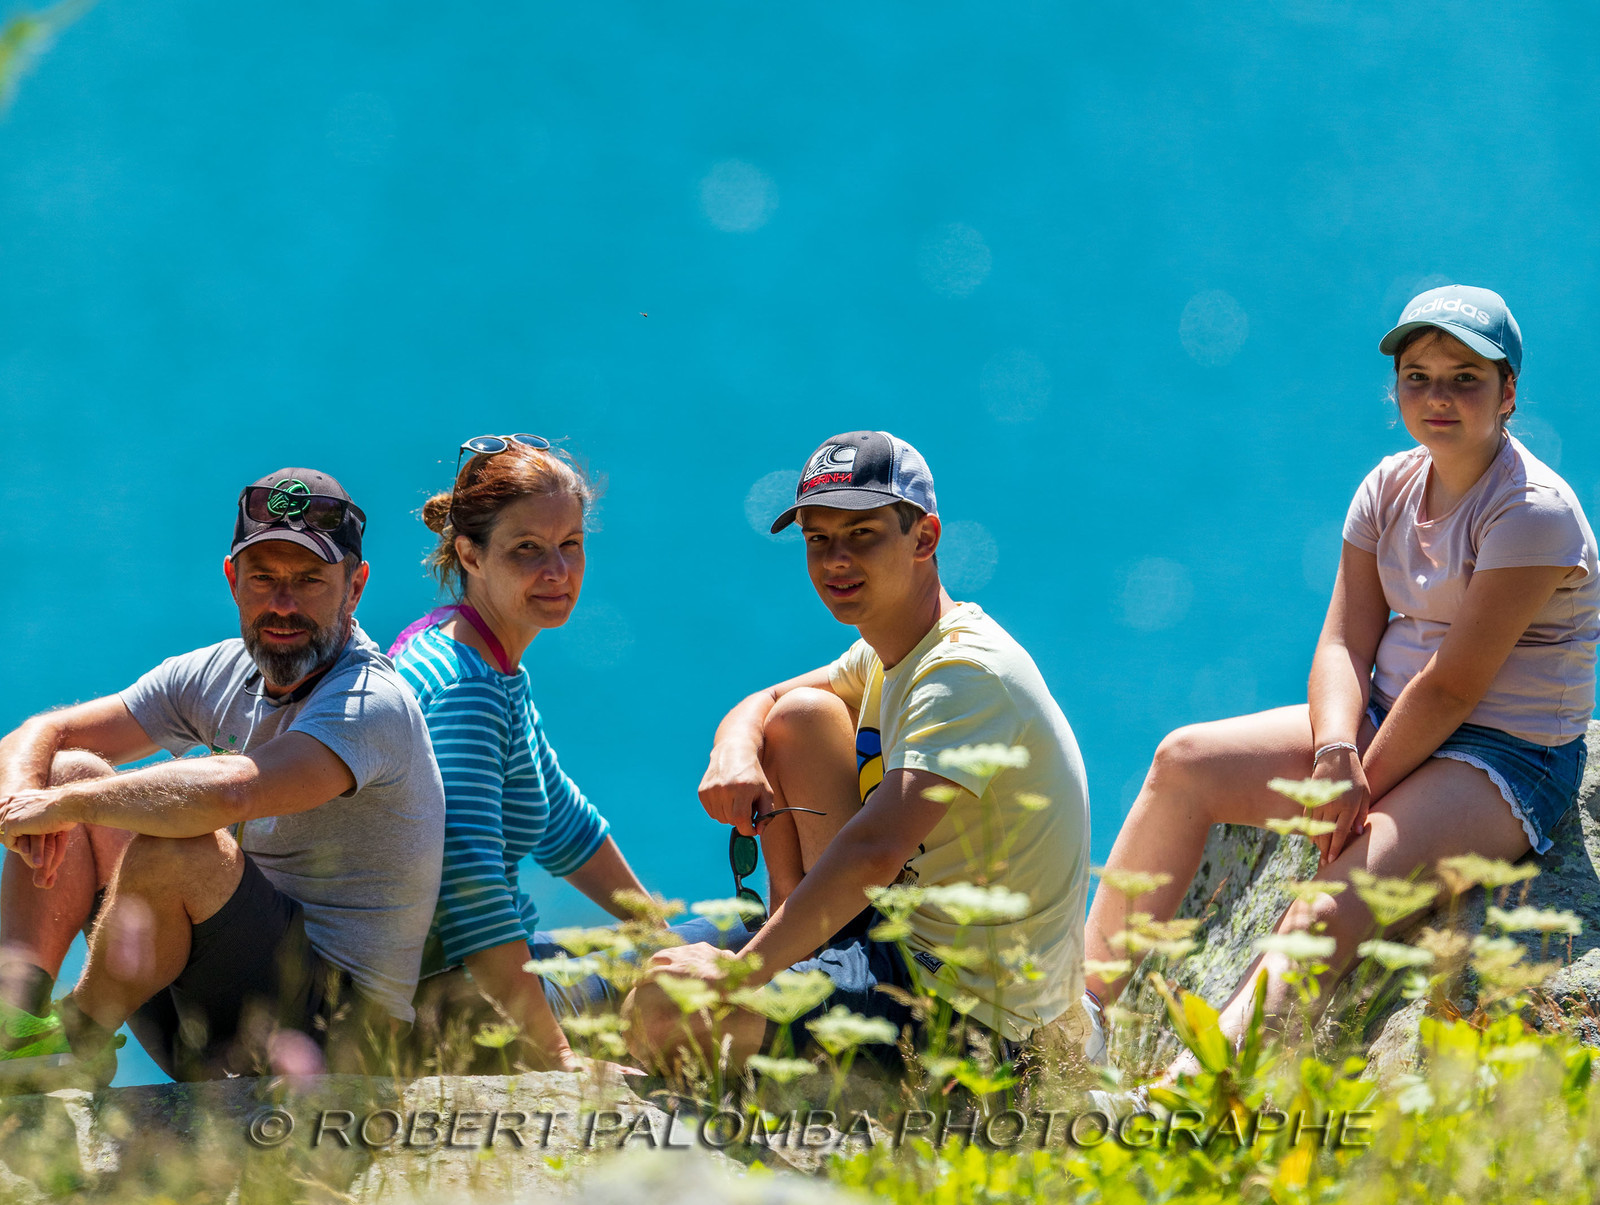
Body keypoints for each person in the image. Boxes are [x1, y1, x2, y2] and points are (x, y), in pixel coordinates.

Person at [1085, 285, 1597, 1047]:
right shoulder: (1387, 486)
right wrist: (1334, 752)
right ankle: (1079, 1017)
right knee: (1183, 760)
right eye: (1418, 376)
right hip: (1387, 716)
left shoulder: (1532, 510)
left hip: (1502, 752)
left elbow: (1455, 686)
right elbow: (1341, 644)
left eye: (1466, 377)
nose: (1438, 396)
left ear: (1509, 393)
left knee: (1328, 903)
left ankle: (1193, 1097)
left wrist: (1360, 790)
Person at [625, 430, 1093, 1073]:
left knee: (663, 1011)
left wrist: (742, 976)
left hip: (979, 1021)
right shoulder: (887, 650)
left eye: (863, 534)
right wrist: (733, 750)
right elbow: (767, 699)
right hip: (891, 946)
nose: (836, 560)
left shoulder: (965, 673)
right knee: (800, 717)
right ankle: (806, 961)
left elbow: (875, 850)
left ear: (924, 539)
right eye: (818, 540)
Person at [0, 469, 445, 1087]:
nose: (283, 603)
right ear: (235, 580)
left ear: (355, 587)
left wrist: (67, 804)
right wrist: (25, 796)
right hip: (214, 1010)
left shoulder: (371, 702)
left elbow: (232, 789)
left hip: (339, 1042)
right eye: (264, 578)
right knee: (70, 768)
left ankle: (76, 1039)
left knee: (175, 843)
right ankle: (16, 1032)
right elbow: (42, 736)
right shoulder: (217, 672)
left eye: (310, 580)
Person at [393, 435, 729, 1072]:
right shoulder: (466, 688)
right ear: (469, 553)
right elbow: (471, 891)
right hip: (457, 1002)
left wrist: (653, 933)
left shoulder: (458, 646)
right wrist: (555, 1057)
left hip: (463, 977)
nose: (558, 571)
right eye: (527, 550)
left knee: (686, 950)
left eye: (570, 544)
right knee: (735, 950)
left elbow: (561, 821)